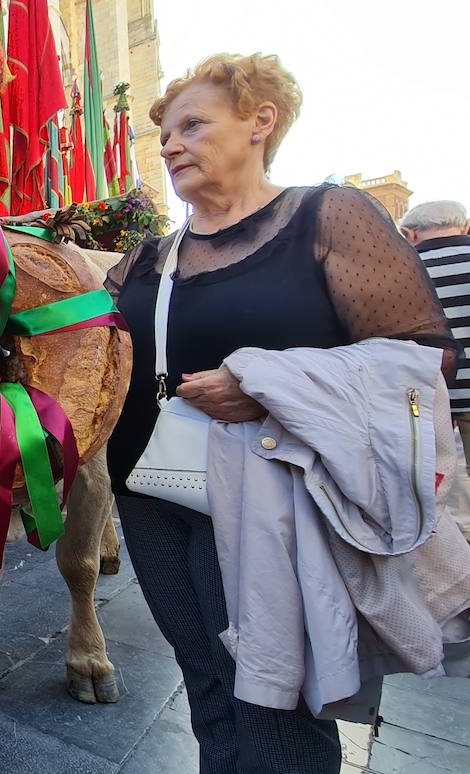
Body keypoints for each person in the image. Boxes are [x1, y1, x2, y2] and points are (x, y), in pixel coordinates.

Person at [104, 53, 457, 773]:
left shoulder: (326, 216)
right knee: (205, 681)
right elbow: (89, 353)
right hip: (149, 496)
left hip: (275, 497)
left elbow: (426, 356)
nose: (170, 144)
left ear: (260, 122)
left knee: (274, 704)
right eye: (165, 133)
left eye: (192, 125)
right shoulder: (149, 259)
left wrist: (271, 384)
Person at [403, 200, 470, 542]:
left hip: (427, 391)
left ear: (410, 234)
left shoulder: (403, 266)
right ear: (465, 226)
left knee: (437, 472)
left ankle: (455, 541)